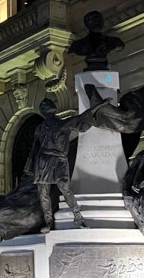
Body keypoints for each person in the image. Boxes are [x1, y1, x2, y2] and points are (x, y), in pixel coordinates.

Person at [26, 97, 109, 233]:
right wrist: (29, 167)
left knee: (64, 187)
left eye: (46, 110)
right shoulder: (40, 128)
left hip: (59, 159)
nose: (46, 113)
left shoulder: (64, 123)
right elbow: (35, 147)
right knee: (43, 193)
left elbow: (82, 118)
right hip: (43, 161)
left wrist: (98, 106)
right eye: (44, 110)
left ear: (51, 111)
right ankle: (48, 222)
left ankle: (77, 216)